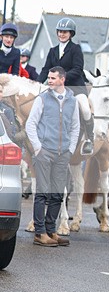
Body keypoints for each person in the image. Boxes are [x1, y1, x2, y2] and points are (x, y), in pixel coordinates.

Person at [25, 67, 79, 247]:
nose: (49, 80)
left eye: (53, 78)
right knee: (42, 193)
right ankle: (39, 233)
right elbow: (30, 124)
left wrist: (70, 149)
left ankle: (51, 230)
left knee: (57, 194)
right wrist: (38, 148)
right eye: (48, 77)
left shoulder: (73, 101)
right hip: (44, 152)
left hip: (63, 153)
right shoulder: (42, 99)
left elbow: (75, 127)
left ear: (62, 79)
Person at [39, 17, 94, 156]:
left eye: (65, 32)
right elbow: (46, 70)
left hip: (75, 87)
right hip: (57, 88)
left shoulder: (76, 49)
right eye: (60, 32)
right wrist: (37, 84)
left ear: (71, 34)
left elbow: (78, 69)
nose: (62, 34)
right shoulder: (52, 51)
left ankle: (89, 139)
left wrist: (60, 79)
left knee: (85, 109)